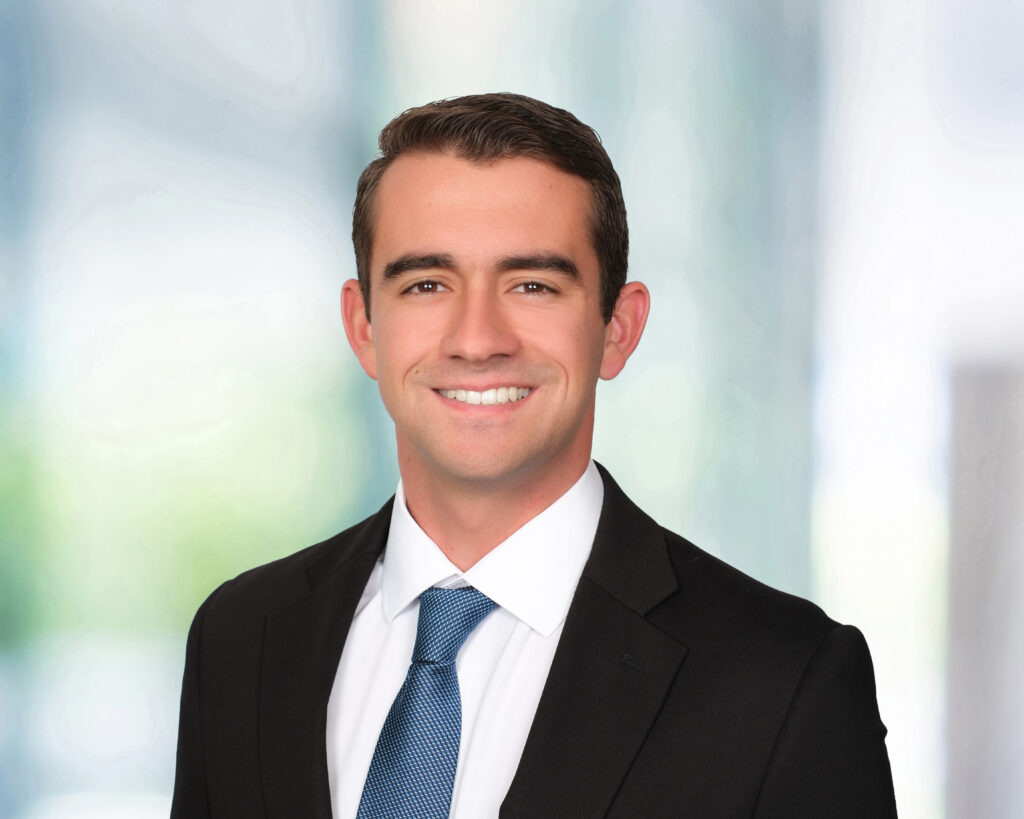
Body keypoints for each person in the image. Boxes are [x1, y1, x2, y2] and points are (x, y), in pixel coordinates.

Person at [170, 93, 897, 818]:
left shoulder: (785, 681)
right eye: (427, 284)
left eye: (532, 285)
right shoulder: (240, 640)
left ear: (617, 329)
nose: (477, 339)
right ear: (363, 327)